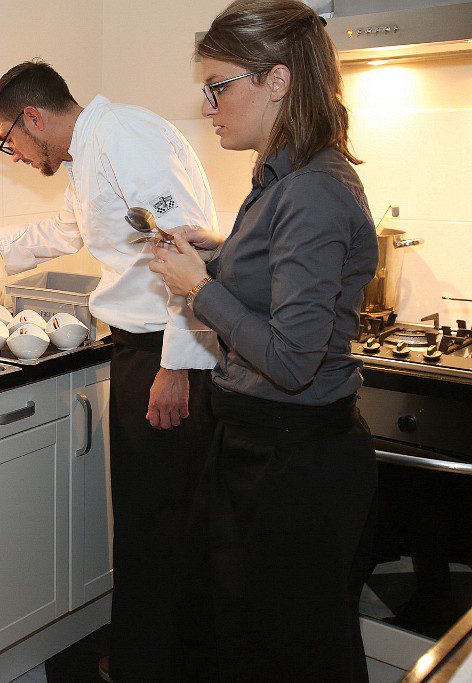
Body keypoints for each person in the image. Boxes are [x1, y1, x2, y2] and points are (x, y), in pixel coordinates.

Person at [0, 61, 220, 681]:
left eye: (7, 138)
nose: (9, 152)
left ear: (31, 117)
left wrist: (176, 365)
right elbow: (68, 229)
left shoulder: (123, 136)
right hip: (141, 348)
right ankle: (143, 660)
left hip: (164, 352)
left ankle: (161, 666)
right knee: (145, 520)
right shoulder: (92, 151)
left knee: (162, 523)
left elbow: (186, 247)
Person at [149, 1, 379, 679]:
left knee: (289, 654)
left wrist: (200, 287)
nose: (209, 105)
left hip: (293, 467)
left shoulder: (310, 188)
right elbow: (279, 278)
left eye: (219, 86)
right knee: (253, 643)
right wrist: (220, 254)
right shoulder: (284, 176)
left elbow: (290, 360)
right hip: (263, 450)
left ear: (276, 82)